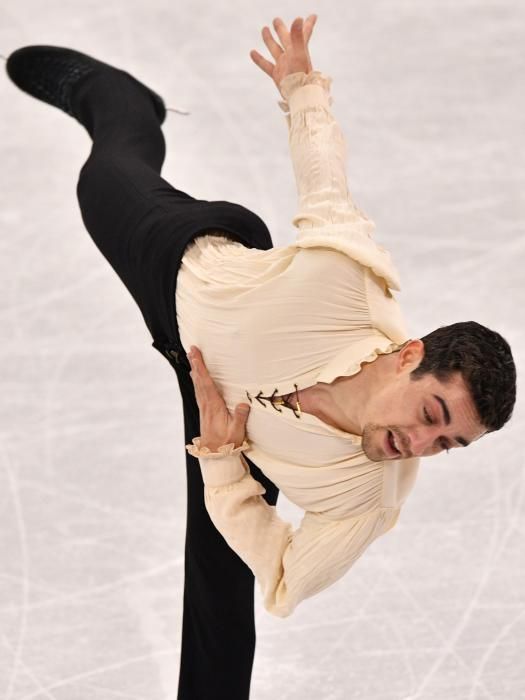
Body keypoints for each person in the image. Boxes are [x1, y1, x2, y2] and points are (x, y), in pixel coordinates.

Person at [5, 13, 516, 700]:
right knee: (106, 175)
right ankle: (120, 97)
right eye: (432, 413)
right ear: (406, 356)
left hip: (231, 430)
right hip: (191, 264)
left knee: (221, 596)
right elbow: (324, 178)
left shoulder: (366, 499)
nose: (418, 444)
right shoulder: (345, 281)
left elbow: (282, 576)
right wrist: (301, 86)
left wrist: (223, 467)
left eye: (445, 444)